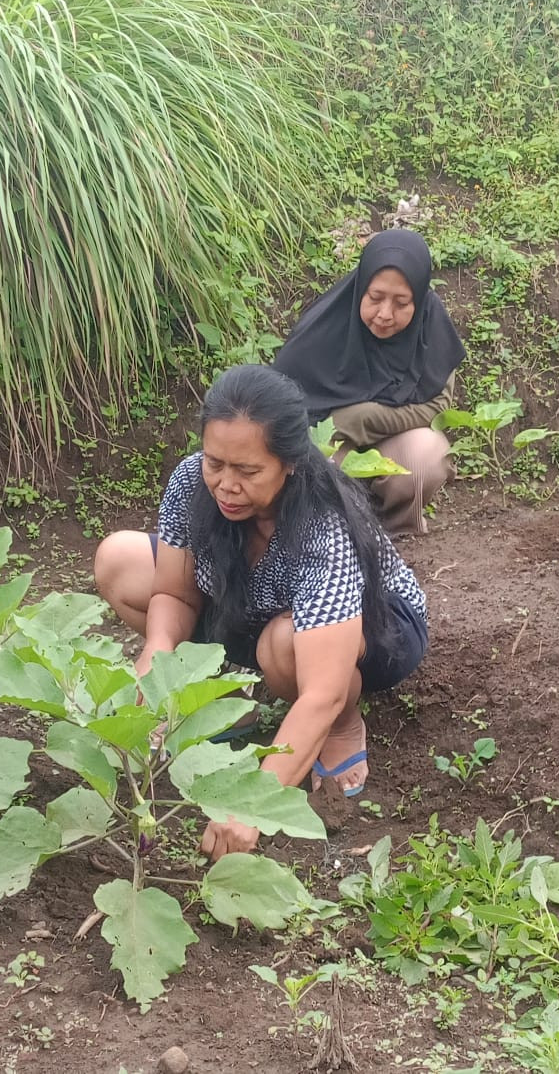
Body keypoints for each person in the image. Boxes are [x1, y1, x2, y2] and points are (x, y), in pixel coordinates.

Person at [93, 364, 428, 860]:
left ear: (289, 463)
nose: (226, 485)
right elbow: (176, 594)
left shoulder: (324, 524)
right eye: (216, 463)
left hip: (373, 630)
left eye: (248, 471)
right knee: (120, 560)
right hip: (253, 607)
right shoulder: (192, 481)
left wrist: (250, 806)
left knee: (285, 646)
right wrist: (158, 657)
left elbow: (321, 691)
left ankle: (343, 726)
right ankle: (227, 695)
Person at [273, 229, 465, 535]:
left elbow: (437, 407)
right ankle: (331, 535)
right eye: (375, 298)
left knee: (428, 453)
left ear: (418, 298)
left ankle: (396, 531)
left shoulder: (432, 329)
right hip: (333, 447)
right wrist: (338, 427)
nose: (385, 314)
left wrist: (363, 419)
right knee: (309, 463)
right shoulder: (323, 328)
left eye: (402, 303)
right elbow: (281, 412)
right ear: (361, 287)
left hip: (393, 446)